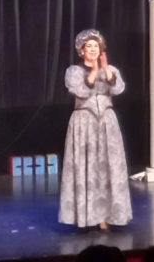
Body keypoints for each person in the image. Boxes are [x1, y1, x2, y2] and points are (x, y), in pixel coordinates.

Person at [58, 29, 132, 229]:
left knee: (108, 168)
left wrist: (105, 70)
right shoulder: (74, 71)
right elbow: (81, 91)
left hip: (107, 123)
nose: (92, 49)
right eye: (88, 46)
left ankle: (106, 217)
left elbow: (118, 89)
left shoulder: (111, 70)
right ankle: (87, 216)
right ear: (81, 50)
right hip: (84, 123)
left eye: (96, 46)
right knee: (87, 168)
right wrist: (93, 71)